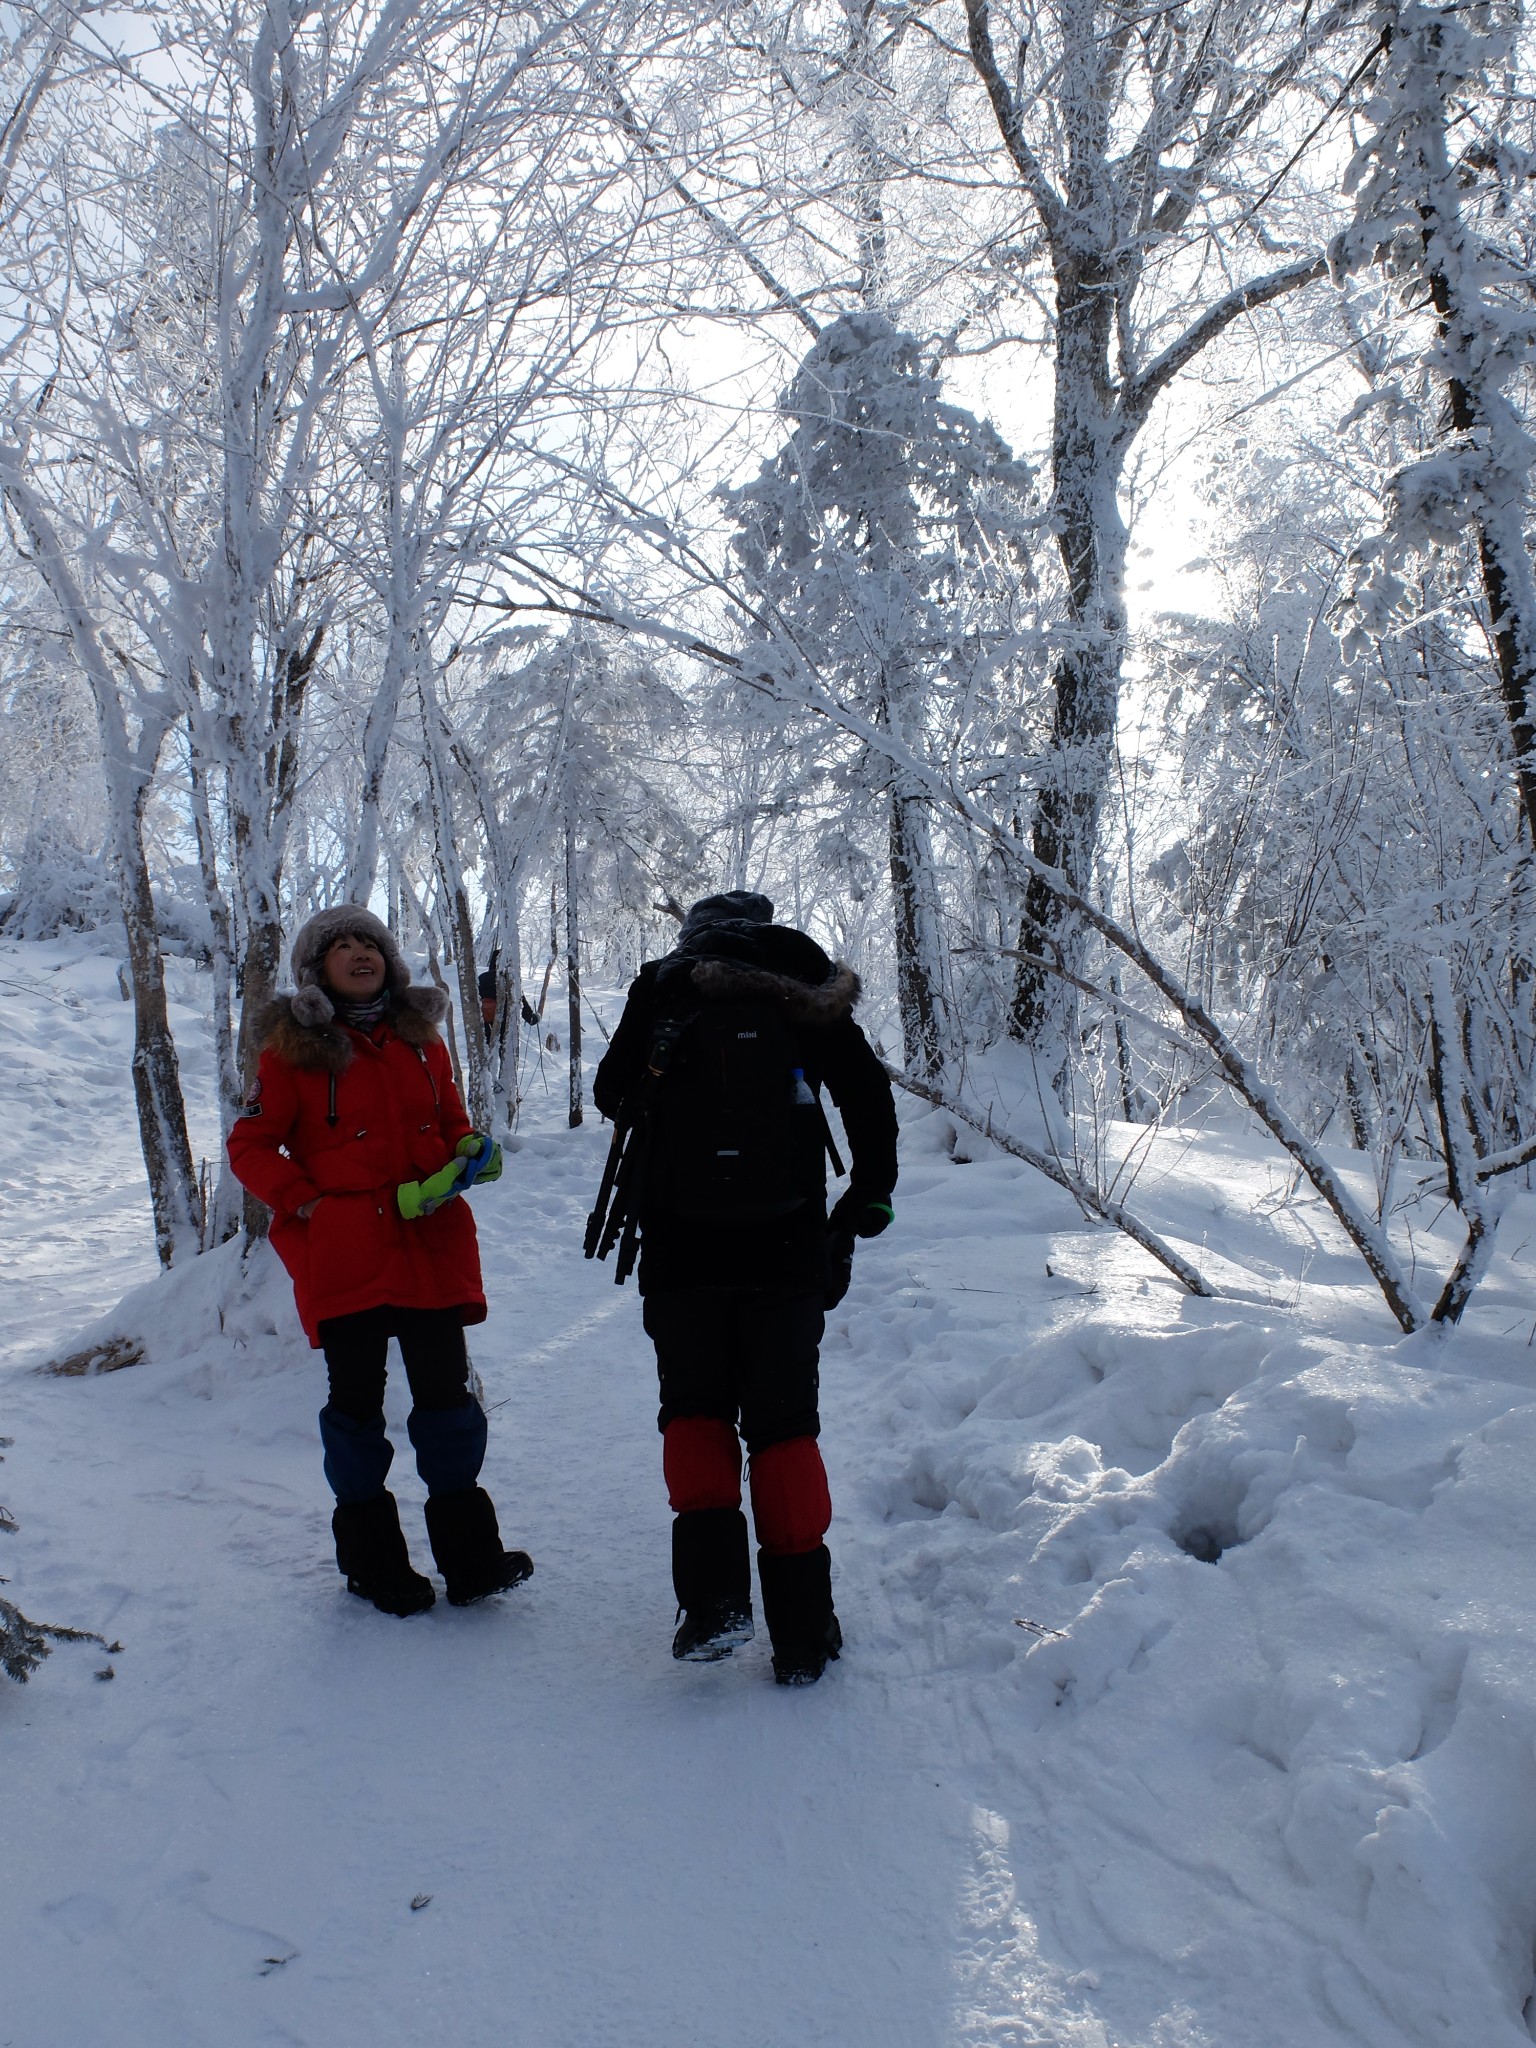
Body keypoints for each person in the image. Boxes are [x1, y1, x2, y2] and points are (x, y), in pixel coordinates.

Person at [591, 890, 897, 1685]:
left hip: (680, 1241)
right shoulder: (802, 991)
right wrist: (869, 1192)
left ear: (693, 935)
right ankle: (801, 1631)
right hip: (787, 1240)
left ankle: (714, 1603)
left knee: (694, 1411)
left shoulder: (664, 986)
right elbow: (865, 1092)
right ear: (765, 932)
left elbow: (612, 1092)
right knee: (784, 1424)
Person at [227, 906, 533, 1617]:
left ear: (388, 961)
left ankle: (472, 1561)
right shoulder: (290, 1049)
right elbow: (249, 1147)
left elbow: (452, 1120)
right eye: (341, 946)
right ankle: (374, 1566)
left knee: (448, 1403)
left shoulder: (424, 1040)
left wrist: (469, 1149)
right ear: (316, 968)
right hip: (347, 1250)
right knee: (358, 1410)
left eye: (370, 942)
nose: (359, 952)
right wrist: (305, 1204)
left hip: (428, 1242)